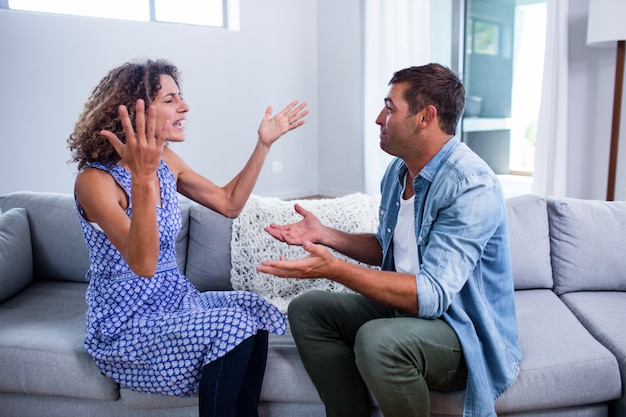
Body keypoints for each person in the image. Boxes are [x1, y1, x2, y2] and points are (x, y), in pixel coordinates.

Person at [257, 63, 521, 417]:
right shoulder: (399, 171)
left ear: (425, 117)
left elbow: (433, 295)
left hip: (460, 330)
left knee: (378, 340)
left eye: (390, 107)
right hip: (407, 310)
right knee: (309, 309)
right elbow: (388, 248)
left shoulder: (470, 185)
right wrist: (326, 236)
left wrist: (334, 269)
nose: (379, 118)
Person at [67, 58, 308, 417]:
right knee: (233, 324)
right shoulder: (95, 182)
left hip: (174, 300)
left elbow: (229, 204)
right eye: (170, 99)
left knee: (252, 308)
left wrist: (263, 144)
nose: (185, 106)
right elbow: (143, 264)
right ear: (136, 113)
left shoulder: (167, 161)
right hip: (127, 321)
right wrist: (143, 178)